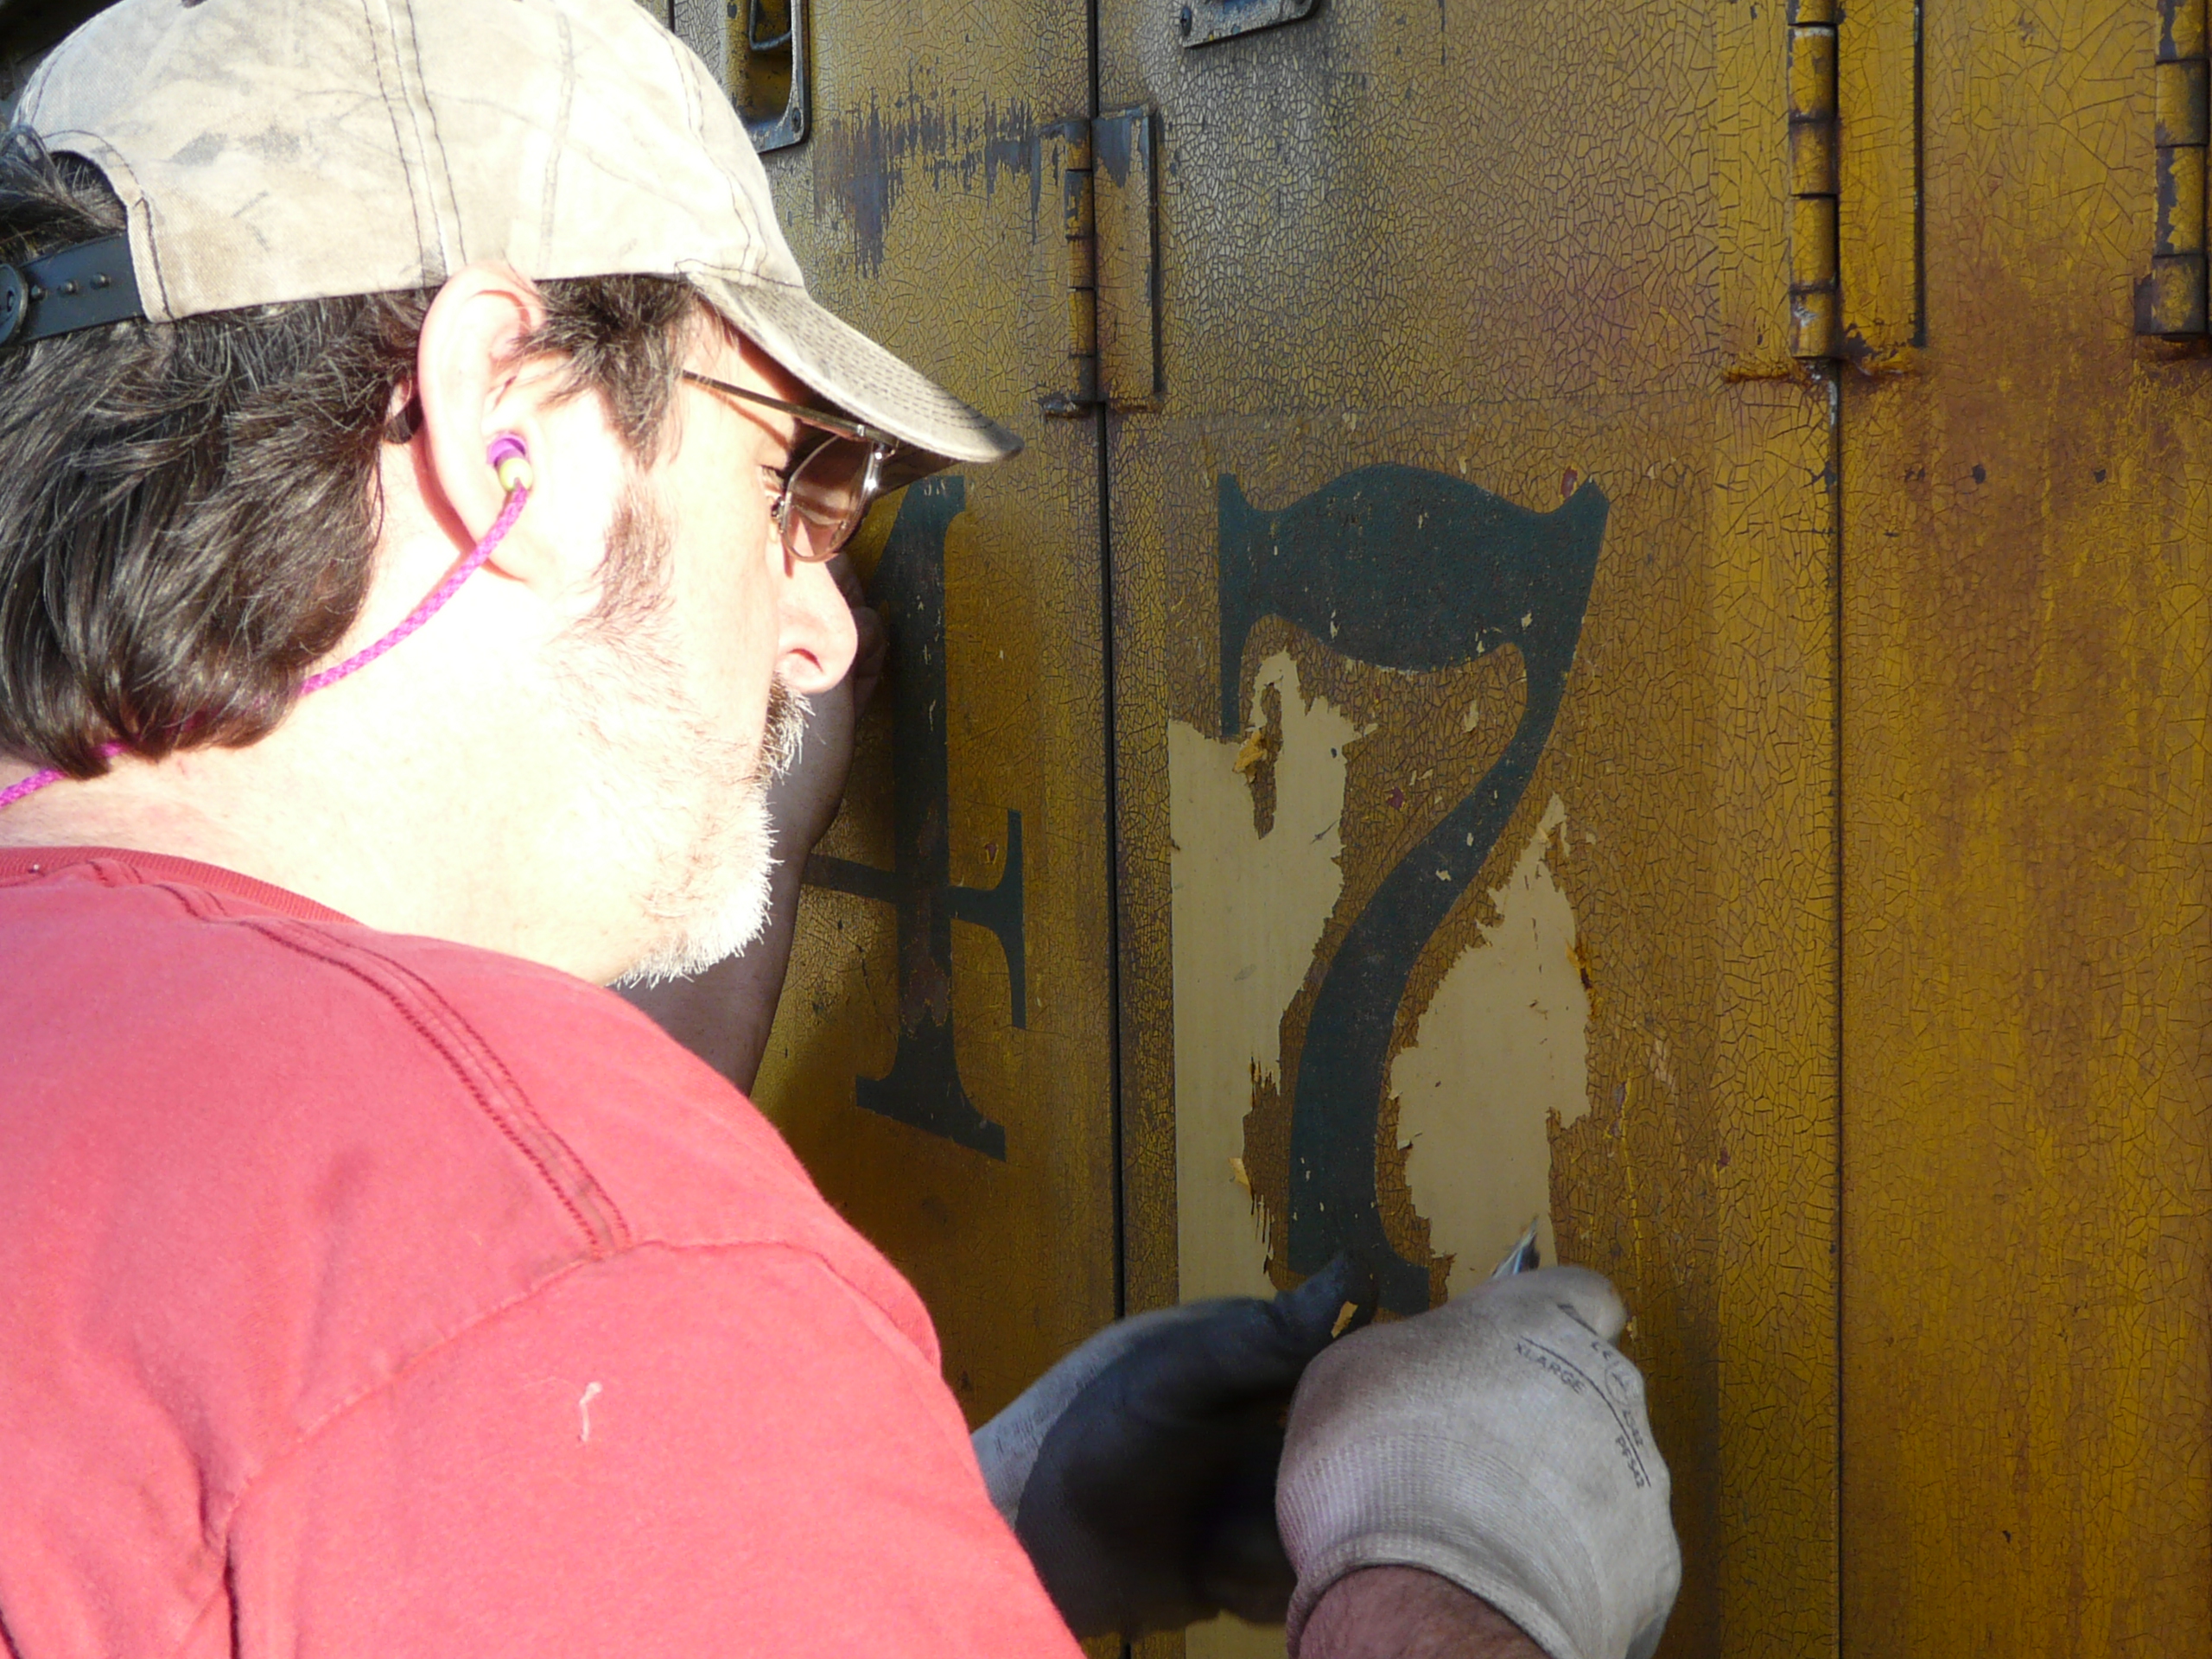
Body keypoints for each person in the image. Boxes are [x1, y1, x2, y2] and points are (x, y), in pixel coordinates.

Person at [0, 2, 1681, 1656]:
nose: (820, 633)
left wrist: (937, 1539)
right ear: (502, 424)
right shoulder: (543, 1265)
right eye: (794, 480)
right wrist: (1447, 1579)